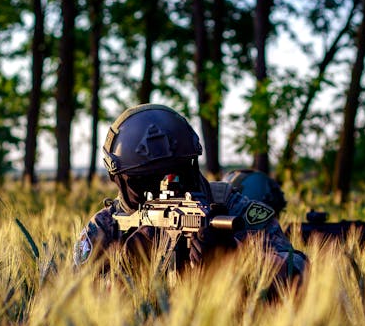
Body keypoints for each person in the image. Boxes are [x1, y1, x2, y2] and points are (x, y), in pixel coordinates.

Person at [73, 103, 306, 284]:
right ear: (118, 179)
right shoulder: (106, 227)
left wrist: (239, 258)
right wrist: (126, 272)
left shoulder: (231, 209)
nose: (163, 188)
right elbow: (73, 304)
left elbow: (303, 275)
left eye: (176, 174)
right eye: (145, 181)